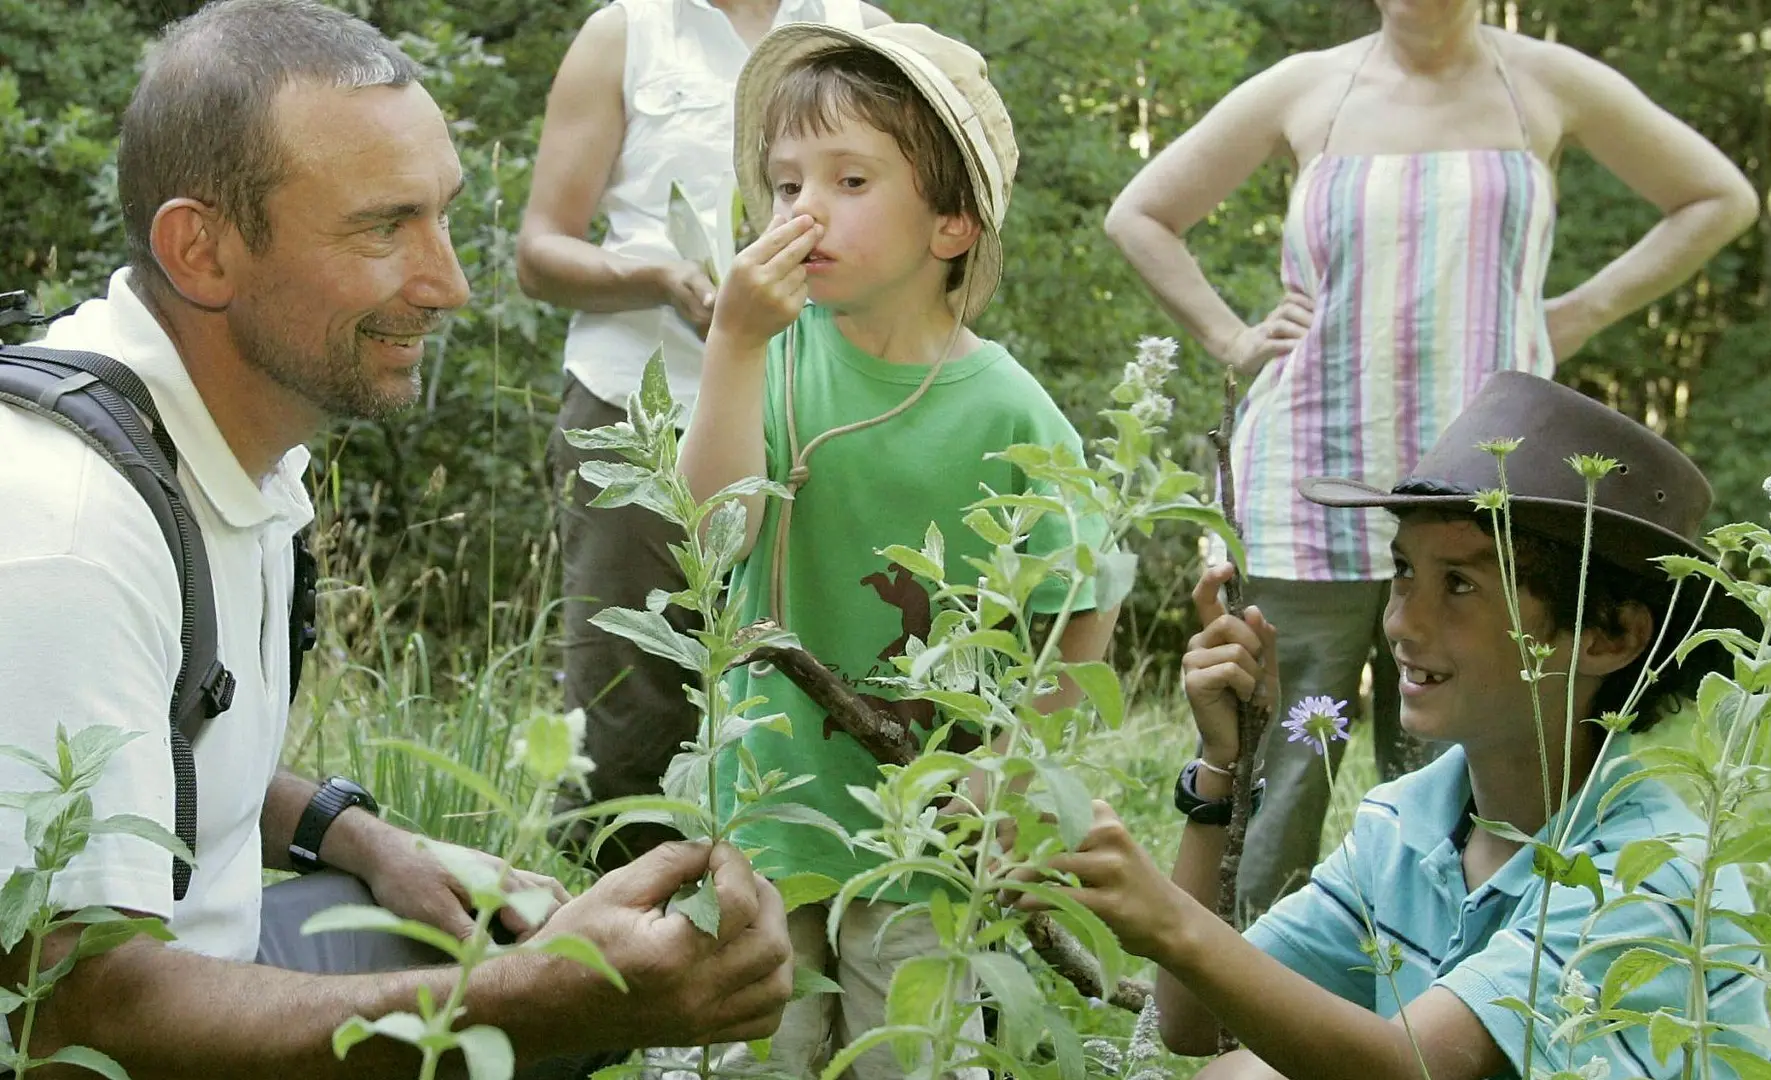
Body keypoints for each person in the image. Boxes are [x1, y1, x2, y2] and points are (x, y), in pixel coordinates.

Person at [0, 2, 791, 1076]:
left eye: (443, 216)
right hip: (121, 1019)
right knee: (553, 1002)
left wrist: (367, 838)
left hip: (201, 958)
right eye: (384, 226)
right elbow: (62, 1019)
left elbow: (162, 761)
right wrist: (538, 1002)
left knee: (491, 949)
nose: (450, 283)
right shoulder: (69, 537)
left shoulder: (231, 443)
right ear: (202, 247)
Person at [1104, 0, 1760, 915]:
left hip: (1489, 491)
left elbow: (1719, 197)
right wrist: (1229, 336)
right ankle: (1234, 1004)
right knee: (1283, 760)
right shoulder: (1307, 89)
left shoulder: (1546, 83)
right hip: (1309, 480)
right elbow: (1141, 214)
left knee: (1466, 766)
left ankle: (1443, 995)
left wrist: (1569, 315)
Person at [1028, 372, 1771, 1079]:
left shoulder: (1654, 871)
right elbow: (1195, 1026)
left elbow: (1415, 1066)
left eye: (1461, 585)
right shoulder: (1407, 822)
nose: (1402, 623)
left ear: (1610, 637)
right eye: (1404, 570)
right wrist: (1226, 764)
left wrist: (1163, 916)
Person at [679, 22, 1118, 1079]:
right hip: (770, 800)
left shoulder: (1011, 408)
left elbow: (1081, 601)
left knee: (909, 1052)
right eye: (784, 185)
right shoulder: (772, 360)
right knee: (755, 1047)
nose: (802, 209)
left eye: (850, 178)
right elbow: (715, 529)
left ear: (953, 224)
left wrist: (1010, 773)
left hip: (923, 822)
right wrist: (732, 344)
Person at [516, 0, 890, 870]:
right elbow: (540, 251)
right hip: (634, 417)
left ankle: (785, 947)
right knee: (630, 708)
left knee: (812, 693)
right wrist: (657, 276)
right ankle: (621, 957)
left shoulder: (857, 25)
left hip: (808, 414)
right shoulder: (625, 31)